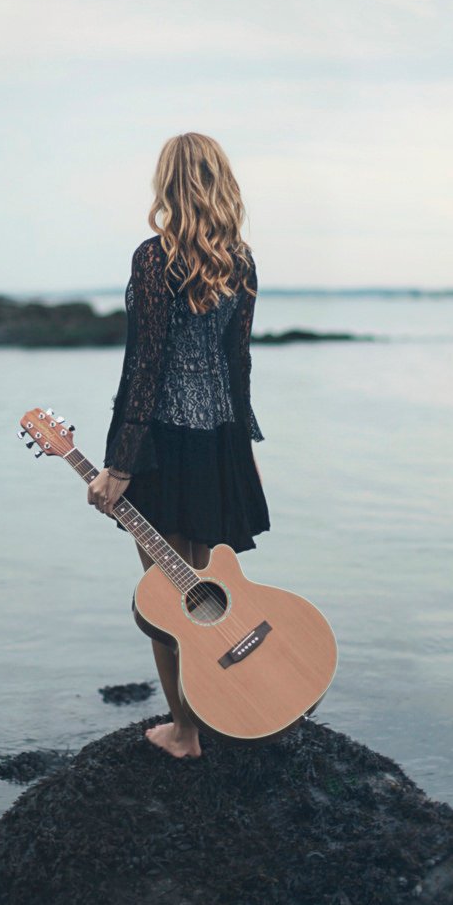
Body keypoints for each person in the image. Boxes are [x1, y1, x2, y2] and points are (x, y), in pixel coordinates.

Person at [86, 131, 270, 759]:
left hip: (163, 445)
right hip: (216, 443)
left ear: (167, 184)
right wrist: (244, 454)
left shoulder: (154, 257)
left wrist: (118, 465)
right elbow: (237, 363)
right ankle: (228, 710)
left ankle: (186, 732)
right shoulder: (239, 260)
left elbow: (145, 367)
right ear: (222, 184)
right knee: (208, 596)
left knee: (169, 601)